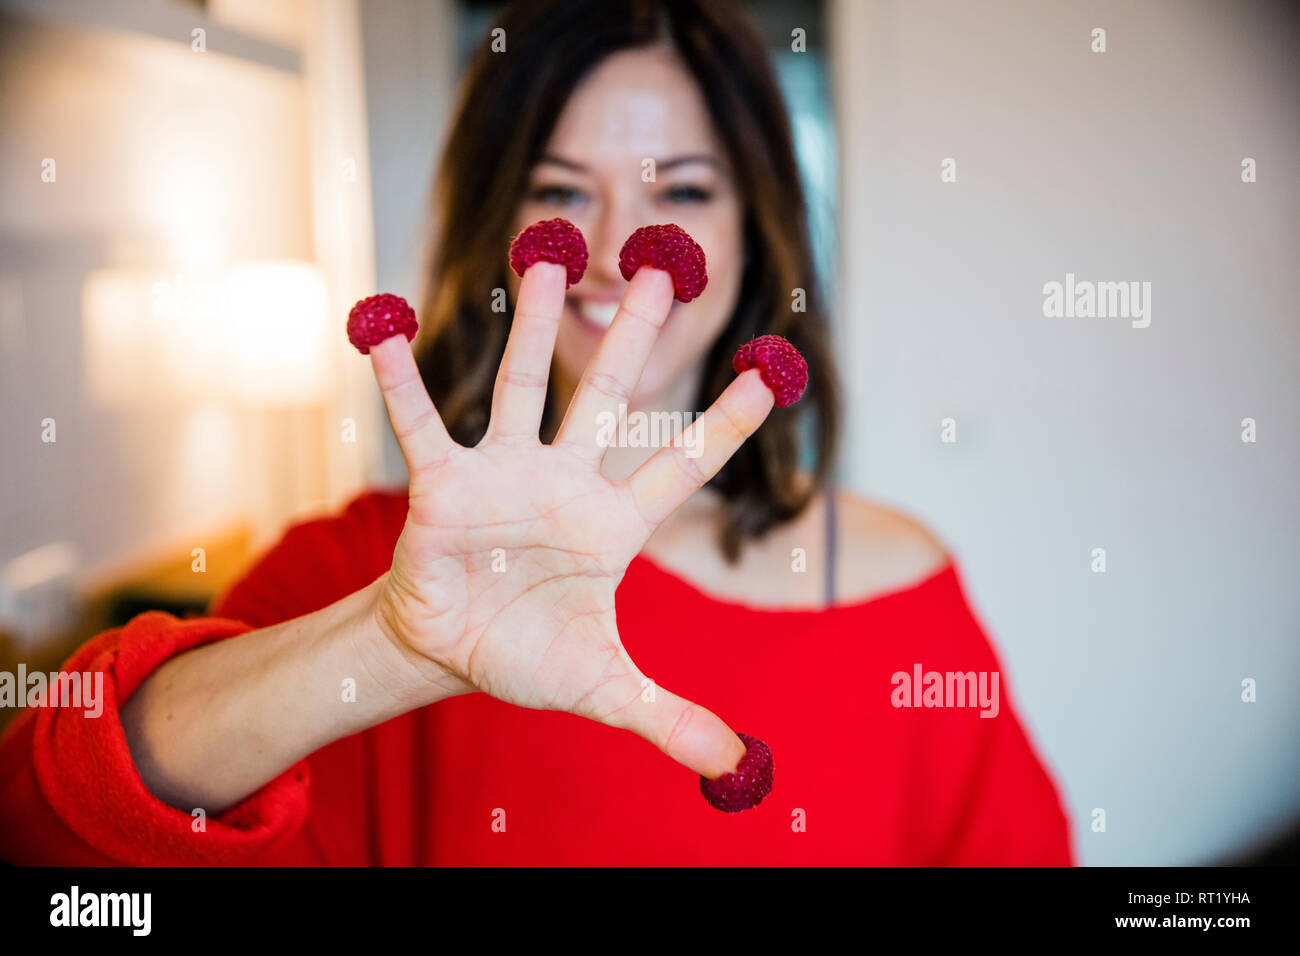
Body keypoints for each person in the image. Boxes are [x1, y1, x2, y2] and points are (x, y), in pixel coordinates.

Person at [0, 0, 1073, 865]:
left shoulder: (904, 592)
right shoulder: (355, 572)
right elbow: (43, 832)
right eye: (560, 189)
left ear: (759, 229)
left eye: (685, 190)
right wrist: (387, 644)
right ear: (497, 232)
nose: (622, 250)